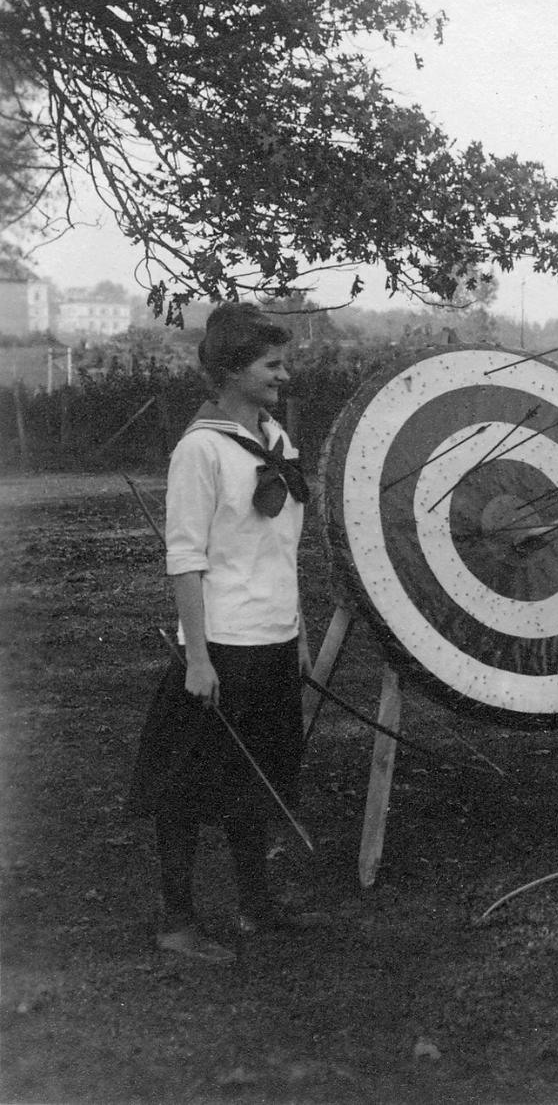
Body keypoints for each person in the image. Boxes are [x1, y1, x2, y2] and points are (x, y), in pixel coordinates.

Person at [131, 303, 325, 964]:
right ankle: (177, 921)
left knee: (258, 777)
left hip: (272, 636)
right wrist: (197, 656)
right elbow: (185, 558)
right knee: (184, 784)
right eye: (271, 364)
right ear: (232, 371)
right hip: (221, 646)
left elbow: (281, 550)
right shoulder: (201, 449)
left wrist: (295, 630)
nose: (283, 373)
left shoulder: (280, 442)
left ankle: (255, 907)